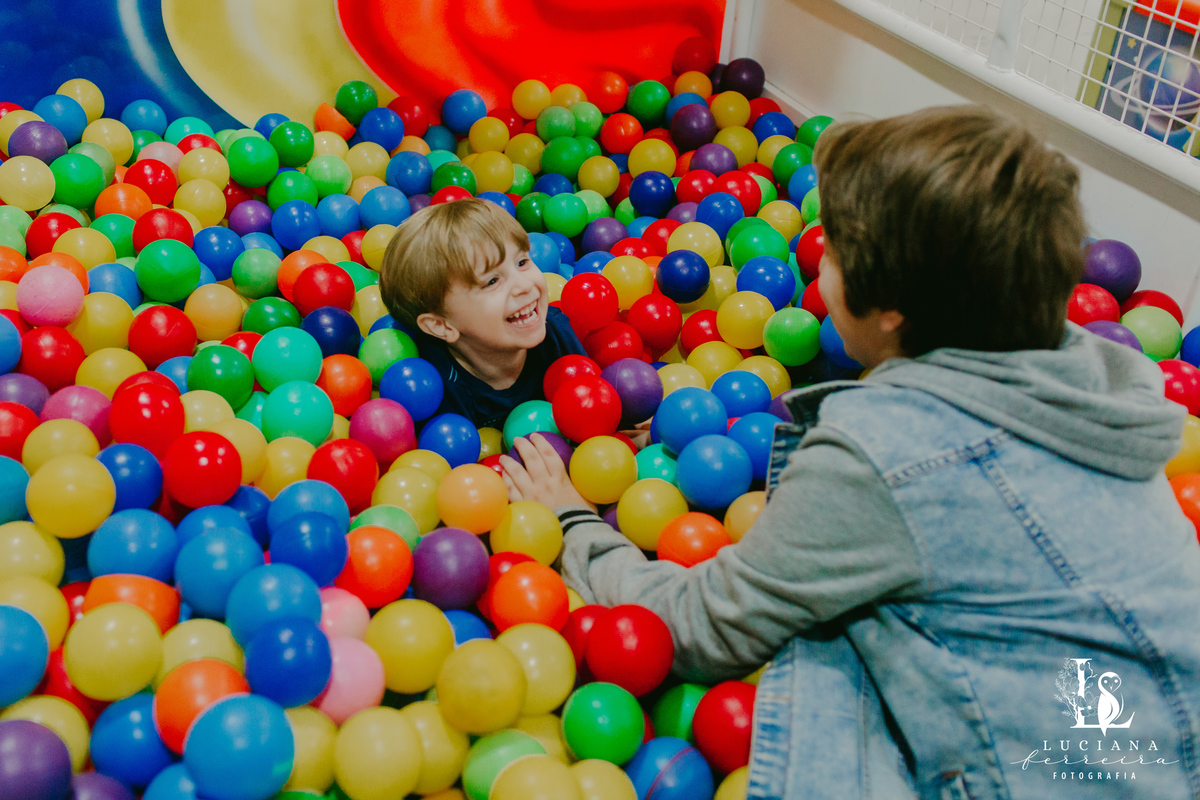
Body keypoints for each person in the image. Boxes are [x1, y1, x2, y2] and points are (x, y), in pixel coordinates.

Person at [499, 106, 1200, 799]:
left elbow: (696, 627)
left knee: (824, 647)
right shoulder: (1099, 380)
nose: (817, 262)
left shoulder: (886, 450)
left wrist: (573, 522)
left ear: (890, 309)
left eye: (830, 248)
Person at [378, 198, 586, 429]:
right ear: (442, 325)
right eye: (492, 281)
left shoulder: (556, 333)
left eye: (522, 262)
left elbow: (593, 414)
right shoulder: (434, 388)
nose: (524, 286)